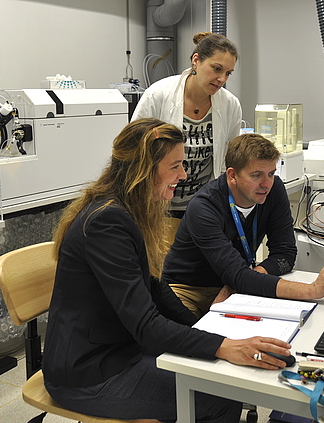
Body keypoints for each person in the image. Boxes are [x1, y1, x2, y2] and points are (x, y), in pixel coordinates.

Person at [42, 119, 291, 422]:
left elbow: (154, 289)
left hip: (116, 348)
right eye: (175, 166)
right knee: (221, 400)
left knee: (214, 372)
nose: (183, 175)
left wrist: (203, 331)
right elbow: (146, 324)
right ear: (145, 169)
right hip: (88, 372)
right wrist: (222, 346)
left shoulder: (125, 210)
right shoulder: (107, 223)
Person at [163, 133, 324, 317]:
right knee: (193, 340)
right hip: (188, 290)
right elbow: (240, 276)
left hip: (232, 283)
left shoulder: (274, 190)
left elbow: (285, 253)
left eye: (271, 174)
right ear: (232, 175)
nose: (266, 184)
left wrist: (248, 277)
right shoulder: (204, 207)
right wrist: (311, 290)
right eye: (256, 175)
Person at [131, 32, 242, 217]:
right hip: (158, 204)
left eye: (228, 73)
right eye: (216, 69)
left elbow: (227, 159)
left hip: (203, 206)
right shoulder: (158, 95)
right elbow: (133, 150)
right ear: (196, 61)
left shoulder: (230, 105)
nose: (222, 79)